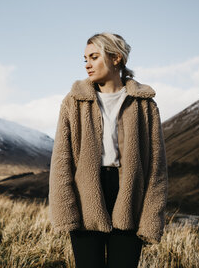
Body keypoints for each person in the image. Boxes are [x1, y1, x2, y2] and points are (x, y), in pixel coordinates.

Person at [48, 32, 168, 268]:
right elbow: (61, 161)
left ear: (116, 58)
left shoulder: (144, 104)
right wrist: (66, 212)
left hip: (129, 197)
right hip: (86, 198)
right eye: (85, 59)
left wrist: (151, 217)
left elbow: (157, 167)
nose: (87, 65)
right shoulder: (74, 101)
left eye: (94, 57)